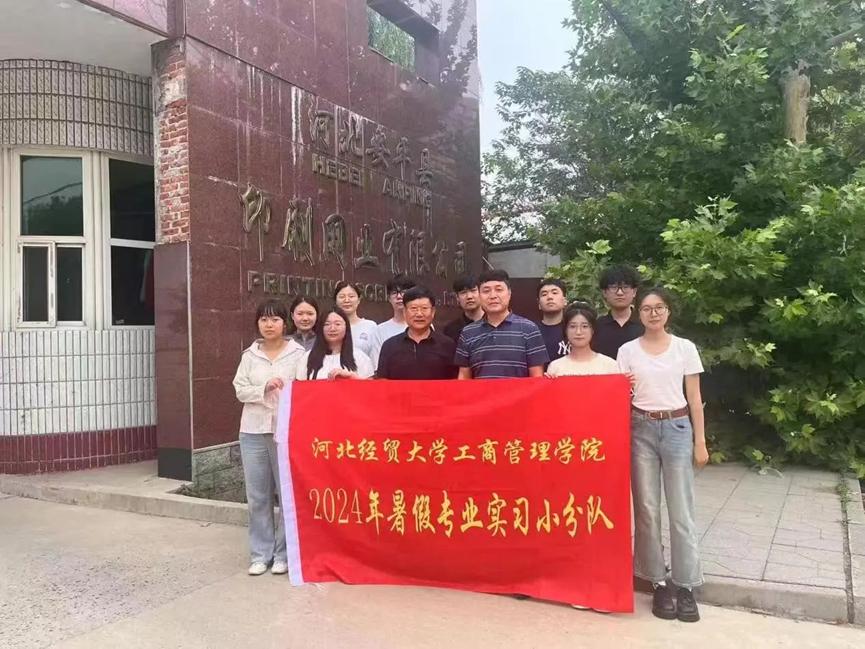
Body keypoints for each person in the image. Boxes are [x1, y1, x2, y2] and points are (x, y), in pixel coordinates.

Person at [616, 287, 708, 623]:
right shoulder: (627, 351)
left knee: (681, 510)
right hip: (640, 428)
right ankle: (657, 581)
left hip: (677, 427)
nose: (653, 313)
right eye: (646, 308)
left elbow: (694, 398)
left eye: (659, 307)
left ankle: (686, 585)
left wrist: (700, 441)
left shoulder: (685, 348)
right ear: (638, 313)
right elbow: (619, 396)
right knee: (646, 509)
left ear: (668, 311)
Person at [232, 300, 305, 577]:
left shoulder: (298, 354)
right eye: (264, 319)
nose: (269, 324)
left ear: (285, 323)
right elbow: (240, 389)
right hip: (252, 431)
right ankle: (260, 554)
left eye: (275, 319)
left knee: (286, 494)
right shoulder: (250, 355)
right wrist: (264, 387)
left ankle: (283, 554)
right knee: (258, 496)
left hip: (285, 432)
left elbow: (304, 391)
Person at [455, 269, 549, 379]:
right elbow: (464, 378)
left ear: (509, 294)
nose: (493, 296)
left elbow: (537, 377)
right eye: (486, 291)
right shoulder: (468, 333)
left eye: (499, 290)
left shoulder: (529, 329)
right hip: (481, 391)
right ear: (479, 295)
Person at [377, 286, 458, 380]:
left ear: (433, 312)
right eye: (414, 308)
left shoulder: (447, 345)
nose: (419, 314)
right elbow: (383, 381)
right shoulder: (389, 346)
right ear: (404, 312)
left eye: (424, 308)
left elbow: (455, 382)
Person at [295, 307, 375, 380]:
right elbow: (300, 388)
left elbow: (370, 388)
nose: (332, 328)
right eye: (327, 324)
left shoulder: (360, 357)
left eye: (337, 324)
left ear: (346, 327)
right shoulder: (307, 358)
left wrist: (353, 378)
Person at [546, 302, 619, 377]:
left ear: (592, 330)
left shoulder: (610, 365)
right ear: (565, 330)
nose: (578, 332)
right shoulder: (555, 367)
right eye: (573, 326)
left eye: (584, 326)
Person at [592, 264, 644, 360]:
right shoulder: (595, 327)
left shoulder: (645, 324)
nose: (620, 292)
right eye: (614, 287)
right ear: (604, 292)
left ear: (634, 292)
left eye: (625, 287)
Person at [369, 273, 416, 367]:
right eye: (394, 293)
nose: (399, 297)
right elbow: (377, 365)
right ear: (389, 298)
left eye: (403, 292)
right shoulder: (380, 330)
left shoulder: (423, 326)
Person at [333, 281, 377, 358]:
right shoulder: (331, 327)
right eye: (342, 297)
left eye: (351, 296)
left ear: (358, 300)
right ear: (336, 301)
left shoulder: (370, 326)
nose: (347, 300)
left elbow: (375, 358)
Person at [537, 278, 569, 366]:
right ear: (539, 303)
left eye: (554, 293)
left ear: (565, 300)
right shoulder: (532, 331)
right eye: (544, 294)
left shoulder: (574, 329)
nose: (549, 297)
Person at [443, 274, 483, 343]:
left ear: (481, 293)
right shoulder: (451, 330)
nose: (469, 296)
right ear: (457, 298)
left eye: (473, 291)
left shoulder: (493, 323)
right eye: (463, 293)